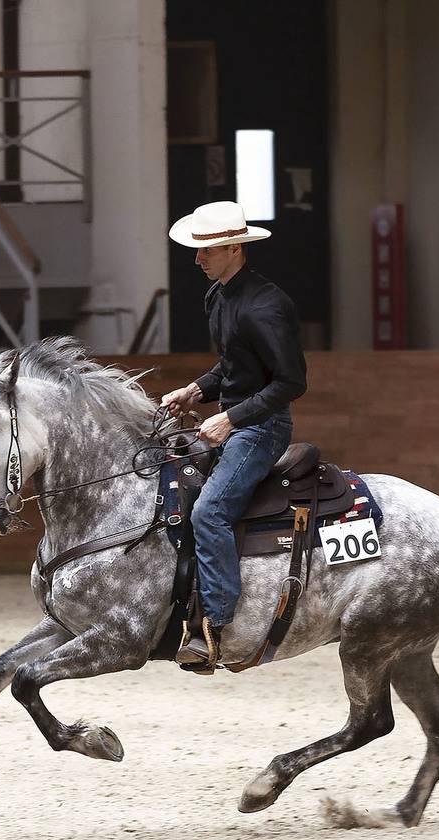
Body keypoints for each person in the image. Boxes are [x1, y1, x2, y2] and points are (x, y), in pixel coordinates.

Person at [160, 200, 307, 667]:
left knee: (208, 512)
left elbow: (291, 383)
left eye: (207, 250)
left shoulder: (266, 307)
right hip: (235, 419)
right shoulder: (219, 296)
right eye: (198, 250)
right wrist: (195, 389)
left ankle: (218, 623)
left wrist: (231, 418)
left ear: (234, 248)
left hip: (261, 428)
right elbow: (232, 366)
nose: (198, 259)